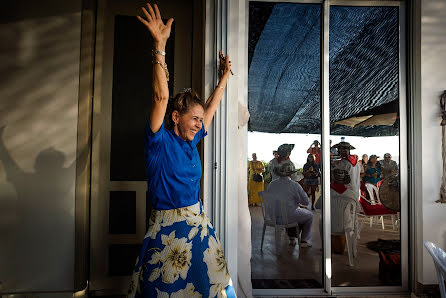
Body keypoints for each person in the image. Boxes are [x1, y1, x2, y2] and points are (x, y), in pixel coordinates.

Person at [128, 4, 235, 297]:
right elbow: (161, 95)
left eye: (201, 121)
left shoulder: (192, 142)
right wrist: (160, 45)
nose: (200, 125)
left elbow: (211, 106)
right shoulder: (159, 142)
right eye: (194, 119)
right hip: (166, 234)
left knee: (211, 290)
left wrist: (224, 76)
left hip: (198, 229)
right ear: (176, 117)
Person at [267, 162, 313, 247]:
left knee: (293, 211)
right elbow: (305, 202)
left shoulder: (272, 184)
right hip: (287, 217)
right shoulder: (294, 185)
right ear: (291, 174)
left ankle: (292, 237)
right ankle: (304, 240)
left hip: (272, 217)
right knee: (309, 215)